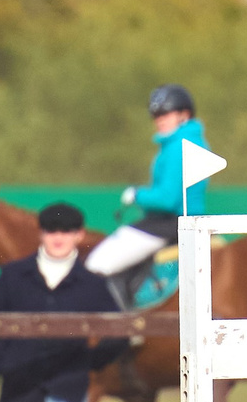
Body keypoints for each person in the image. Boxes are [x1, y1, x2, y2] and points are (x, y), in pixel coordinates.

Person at [0, 203, 132, 402]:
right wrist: (3, 362)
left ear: (79, 235)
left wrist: (89, 362)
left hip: (68, 393)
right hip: (18, 391)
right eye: (52, 230)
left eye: (67, 230)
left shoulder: (92, 284)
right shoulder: (13, 276)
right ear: (41, 233)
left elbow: (119, 332)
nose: (58, 237)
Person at [85, 83, 213, 307]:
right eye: (155, 115)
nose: (159, 119)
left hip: (168, 223)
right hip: (183, 221)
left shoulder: (179, 146)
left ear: (184, 115)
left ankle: (120, 326)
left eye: (165, 113)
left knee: (98, 263)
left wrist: (136, 195)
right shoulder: (187, 142)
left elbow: (167, 199)